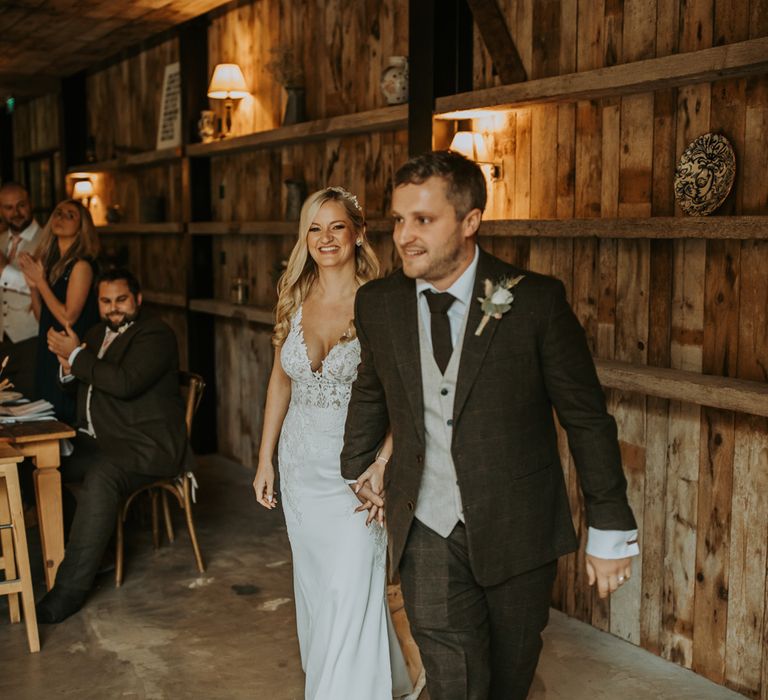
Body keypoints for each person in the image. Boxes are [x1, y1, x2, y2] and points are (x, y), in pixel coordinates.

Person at [341, 151, 639, 700]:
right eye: (399, 219)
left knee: (509, 678)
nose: (405, 236)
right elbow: (372, 387)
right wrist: (359, 468)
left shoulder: (535, 303)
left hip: (518, 525)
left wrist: (611, 526)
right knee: (454, 683)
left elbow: (586, 418)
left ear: (470, 221)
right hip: (426, 528)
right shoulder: (378, 303)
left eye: (423, 220)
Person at [252, 187, 416, 699]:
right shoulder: (295, 298)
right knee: (321, 593)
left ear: (359, 233)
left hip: (359, 472)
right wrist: (265, 461)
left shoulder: (383, 301)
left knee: (353, 589)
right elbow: (281, 381)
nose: (325, 238)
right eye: (315, 228)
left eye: (337, 226)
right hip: (301, 468)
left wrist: (385, 462)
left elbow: (401, 391)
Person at [36, 268, 188, 623]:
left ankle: (69, 591)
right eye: (106, 301)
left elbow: (124, 383)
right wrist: (66, 367)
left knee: (103, 477)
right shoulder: (94, 332)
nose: (114, 309)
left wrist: (76, 357)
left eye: (121, 300)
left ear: (137, 299)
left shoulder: (156, 334)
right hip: (98, 442)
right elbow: (78, 385)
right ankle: (93, 547)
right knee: (41, 465)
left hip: (145, 446)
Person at [18, 198, 100, 424]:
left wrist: (40, 282)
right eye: (58, 212)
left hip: (68, 353)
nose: (60, 217)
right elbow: (40, 316)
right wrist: (33, 286)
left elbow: (68, 317)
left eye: (70, 215)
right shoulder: (52, 264)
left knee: (65, 418)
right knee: (46, 419)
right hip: (48, 351)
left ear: (82, 227)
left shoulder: (82, 265)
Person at [0, 182, 43, 398]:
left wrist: (2, 268)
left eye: (21, 205)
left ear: (30, 203)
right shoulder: (0, 242)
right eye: (8, 208)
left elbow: (43, 287)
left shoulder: (47, 240)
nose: (16, 213)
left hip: (31, 340)